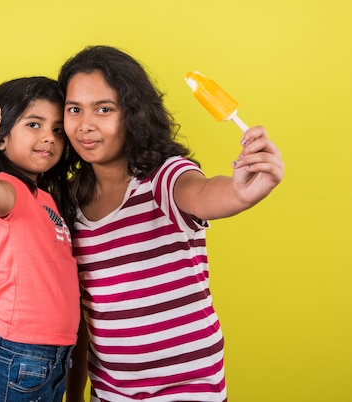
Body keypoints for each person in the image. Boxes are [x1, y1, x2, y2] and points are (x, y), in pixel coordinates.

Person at [59, 46, 284, 402]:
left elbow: (203, 194)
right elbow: (83, 313)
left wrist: (243, 192)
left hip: (189, 388)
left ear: (132, 114)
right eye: (74, 110)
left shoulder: (163, 177)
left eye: (104, 109)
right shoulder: (69, 203)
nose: (85, 125)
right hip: (112, 391)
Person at [0, 77, 80, 402]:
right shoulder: (8, 186)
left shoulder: (46, 197)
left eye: (58, 129)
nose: (49, 137)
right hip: (20, 354)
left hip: (52, 353)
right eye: (34, 124)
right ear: (1, 140)